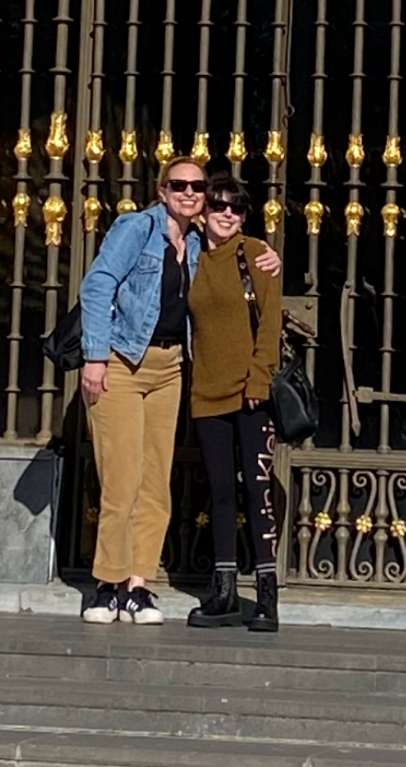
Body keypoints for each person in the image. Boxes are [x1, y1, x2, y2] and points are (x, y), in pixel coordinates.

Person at [79, 156, 281, 625]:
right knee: (122, 476)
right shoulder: (137, 229)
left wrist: (269, 255)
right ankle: (107, 584)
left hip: (170, 369)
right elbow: (98, 286)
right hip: (123, 363)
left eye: (198, 187)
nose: (191, 193)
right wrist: (94, 355)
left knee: (155, 483)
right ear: (161, 189)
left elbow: (243, 277)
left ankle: (138, 585)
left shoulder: (196, 242)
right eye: (180, 185)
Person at [187, 174, 281, 632]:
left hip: (250, 393)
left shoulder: (257, 254)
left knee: (256, 492)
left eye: (238, 208)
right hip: (206, 392)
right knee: (221, 492)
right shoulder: (188, 254)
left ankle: (266, 596)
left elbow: (269, 326)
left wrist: (258, 381)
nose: (228, 214)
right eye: (220, 205)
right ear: (203, 210)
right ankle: (224, 591)